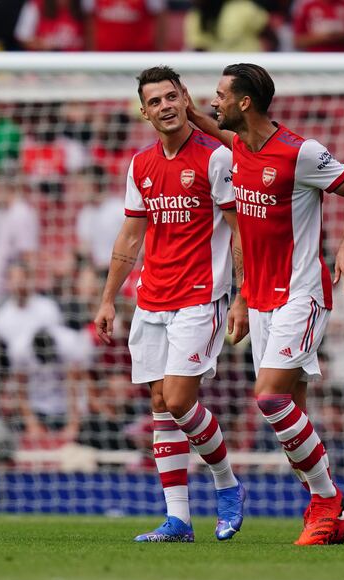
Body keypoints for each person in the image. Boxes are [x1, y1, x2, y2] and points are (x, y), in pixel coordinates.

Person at [187, 63, 344, 545]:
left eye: (220, 94)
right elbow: (212, 126)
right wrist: (186, 110)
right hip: (262, 302)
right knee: (292, 412)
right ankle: (331, 517)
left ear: (244, 102)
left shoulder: (300, 152)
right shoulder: (240, 148)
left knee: (270, 398)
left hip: (301, 294)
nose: (215, 101)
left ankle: (328, 501)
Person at [94, 66, 247, 543]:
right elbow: (131, 234)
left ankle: (227, 485)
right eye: (154, 101)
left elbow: (239, 229)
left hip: (201, 294)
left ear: (185, 99)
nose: (164, 106)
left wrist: (242, 295)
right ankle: (178, 519)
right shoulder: (140, 164)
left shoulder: (217, 157)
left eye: (170, 96)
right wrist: (107, 299)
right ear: (144, 112)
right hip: (151, 297)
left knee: (181, 399)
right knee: (161, 403)